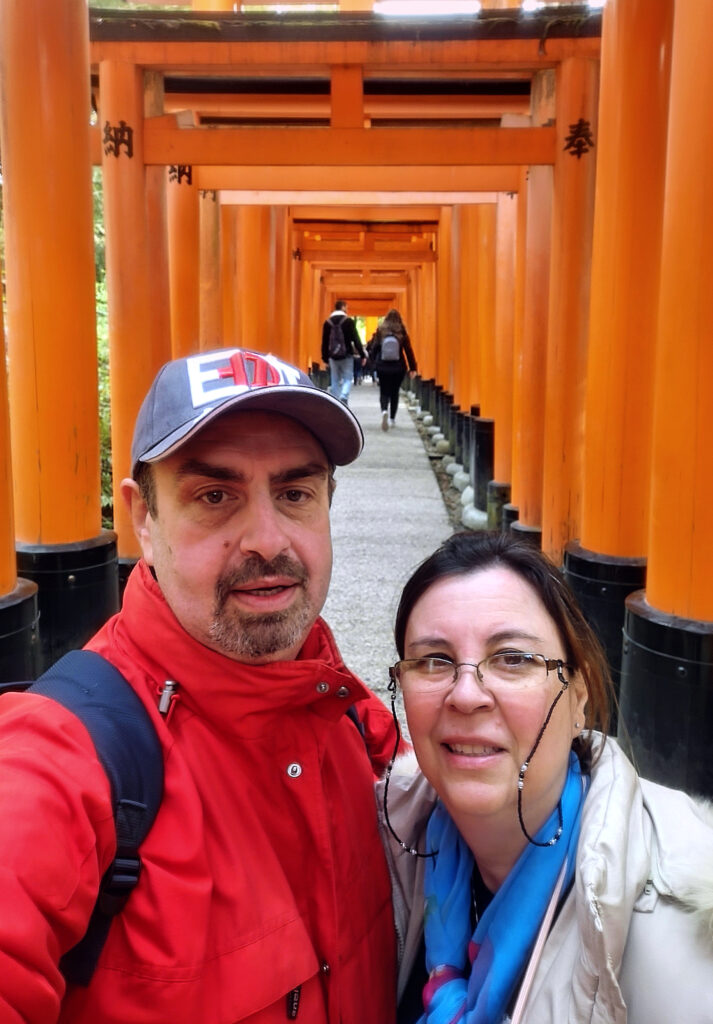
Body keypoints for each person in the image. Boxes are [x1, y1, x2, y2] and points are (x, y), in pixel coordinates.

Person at [0, 347, 399, 1023]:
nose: (267, 540)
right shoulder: (68, 761)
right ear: (143, 520)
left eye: (295, 494)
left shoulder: (352, 721)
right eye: (215, 497)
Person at [377, 531, 713, 1024]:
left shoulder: (684, 935)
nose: (466, 695)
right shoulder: (384, 847)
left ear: (578, 699)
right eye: (435, 660)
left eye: (513, 658)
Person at [367, 308, 417, 432]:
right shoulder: (401, 331)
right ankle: (392, 418)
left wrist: (372, 365)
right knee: (394, 392)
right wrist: (413, 368)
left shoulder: (381, 330)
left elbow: (374, 349)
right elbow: (408, 350)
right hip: (398, 367)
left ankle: (384, 410)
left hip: (383, 366)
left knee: (384, 391)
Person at [321, 299, 366, 406]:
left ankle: (336, 403)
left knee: (335, 379)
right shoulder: (348, 321)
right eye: (346, 307)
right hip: (347, 355)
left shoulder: (327, 323)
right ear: (342, 307)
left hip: (333, 356)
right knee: (347, 377)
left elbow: (325, 342)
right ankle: (344, 396)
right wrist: (362, 354)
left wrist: (325, 358)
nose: (347, 309)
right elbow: (356, 339)